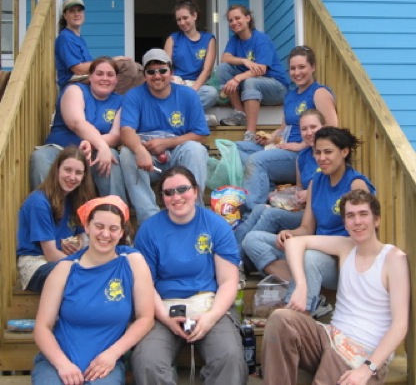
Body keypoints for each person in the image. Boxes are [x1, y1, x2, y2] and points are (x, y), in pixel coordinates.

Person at [262, 190, 410, 385]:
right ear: (345, 223)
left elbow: (400, 326)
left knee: (337, 361)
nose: (357, 221)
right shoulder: (346, 247)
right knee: (281, 319)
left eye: (363, 214)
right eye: (350, 216)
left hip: (363, 353)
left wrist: (368, 368)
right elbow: (295, 243)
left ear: (376, 220)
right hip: (331, 337)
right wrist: (301, 284)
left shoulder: (393, 259)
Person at [131, 166, 248, 385]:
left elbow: (228, 281)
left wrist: (211, 317)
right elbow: (146, 286)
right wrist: (165, 318)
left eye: (182, 189)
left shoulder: (216, 226)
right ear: (162, 198)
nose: (176, 197)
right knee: (147, 360)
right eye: (169, 192)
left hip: (209, 304)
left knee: (229, 356)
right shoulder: (149, 230)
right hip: (163, 307)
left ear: (195, 191)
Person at [243, 127, 375, 307]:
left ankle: (295, 309)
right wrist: (289, 233)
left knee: (309, 257)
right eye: (317, 152)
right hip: (311, 248)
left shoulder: (356, 184)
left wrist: (310, 244)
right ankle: (306, 288)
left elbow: (362, 234)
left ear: (344, 152)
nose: (322, 158)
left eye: (328, 152)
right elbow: (307, 228)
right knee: (252, 239)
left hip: (340, 260)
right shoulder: (316, 181)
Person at [32, 195, 155, 385]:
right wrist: (63, 364)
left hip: (105, 363)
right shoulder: (65, 269)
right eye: (99, 226)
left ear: (122, 232)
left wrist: (113, 354)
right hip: (60, 360)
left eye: (113, 228)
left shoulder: (132, 262)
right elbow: (42, 327)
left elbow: (145, 318)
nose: (105, 234)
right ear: (87, 226)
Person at [238, 45, 338, 210]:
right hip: (283, 148)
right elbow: (283, 127)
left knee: (256, 161)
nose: (297, 72)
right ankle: (268, 191)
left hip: (303, 156)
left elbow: (332, 129)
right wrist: (270, 137)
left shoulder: (319, 93)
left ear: (313, 67)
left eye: (302, 67)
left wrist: (301, 145)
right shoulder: (291, 95)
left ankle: (252, 211)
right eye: (293, 68)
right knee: (238, 148)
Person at [119, 48, 210, 223]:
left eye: (162, 70)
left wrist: (168, 143)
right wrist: (139, 149)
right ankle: (149, 220)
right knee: (127, 153)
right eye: (151, 71)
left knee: (195, 150)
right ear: (144, 75)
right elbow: (126, 131)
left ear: (171, 72)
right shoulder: (134, 95)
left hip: (178, 154)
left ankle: (194, 215)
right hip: (148, 158)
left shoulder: (188, 95)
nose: (157, 75)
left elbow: (201, 134)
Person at [30, 57, 127, 201]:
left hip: (92, 153)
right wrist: (101, 145)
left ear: (116, 79)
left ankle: (116, 211)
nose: (105, 78)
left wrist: (94, 144)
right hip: (60, 148)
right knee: (40, 157)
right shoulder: (75, 90)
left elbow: (115, 135)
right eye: (99, 73)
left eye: (110, 75)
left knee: (110, 157)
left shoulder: (122, 101)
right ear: (90, 76)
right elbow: (76, 122)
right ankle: (47, 210)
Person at [234, 109, 325, 257]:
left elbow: (335, 187)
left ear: (324, 127)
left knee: (271, 215)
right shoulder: (301, 157)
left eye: (313, 127)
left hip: (317, 215)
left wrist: (311, 193)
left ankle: (239, 259)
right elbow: (298, 190)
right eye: (304, 129)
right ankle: (230, 253)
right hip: (303, 211)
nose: (309, 133)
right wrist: (282, 196)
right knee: (259, 209)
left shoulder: (328, 155)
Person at [17, 146, 96, 292]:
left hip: (64, 261)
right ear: (57, 169)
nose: (72, 177)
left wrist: (78, 243)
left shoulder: (74, 200)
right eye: (67, 170)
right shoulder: (39, 201)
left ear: (84, 176)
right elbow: (51, 254)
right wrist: (85, 266)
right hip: (37, 264)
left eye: (78, 173)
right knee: (79, 276)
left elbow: (81, 234)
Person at [216, 4, 290, 141]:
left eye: (237, 18)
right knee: (223, 69)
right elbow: (224, 58)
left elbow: (261, 69)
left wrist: (237, 78)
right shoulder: (235, 40)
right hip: (254, 87)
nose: (234, 23)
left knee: (250, 82)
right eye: (230, 20)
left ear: (248, 18)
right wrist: (244, 61)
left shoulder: (261, 39)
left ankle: (250, 133)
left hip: (277, 88)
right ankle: (240, 113)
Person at [55, 0, 144, 94]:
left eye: (79, 11)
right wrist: (111, 61)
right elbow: (79, 69)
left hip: (87, 77)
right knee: (128, 66)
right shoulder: (65, 37)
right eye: (72, 11)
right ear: (65, 15)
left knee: (139, 70)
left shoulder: (78, 38)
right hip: (74, 82)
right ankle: (111, 101)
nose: (77, 14)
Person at [164, 0, 218, 121]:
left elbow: (207, 70)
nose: (182, 23)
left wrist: (193, 90)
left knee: (211, 93)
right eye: (179, 19)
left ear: (194, 16)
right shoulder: (172, 39)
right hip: (177, 83)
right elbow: (165, 68)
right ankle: (199, 118)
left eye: (185, 18)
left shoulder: (209, 39)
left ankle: (182, 116)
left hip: (197, 85)